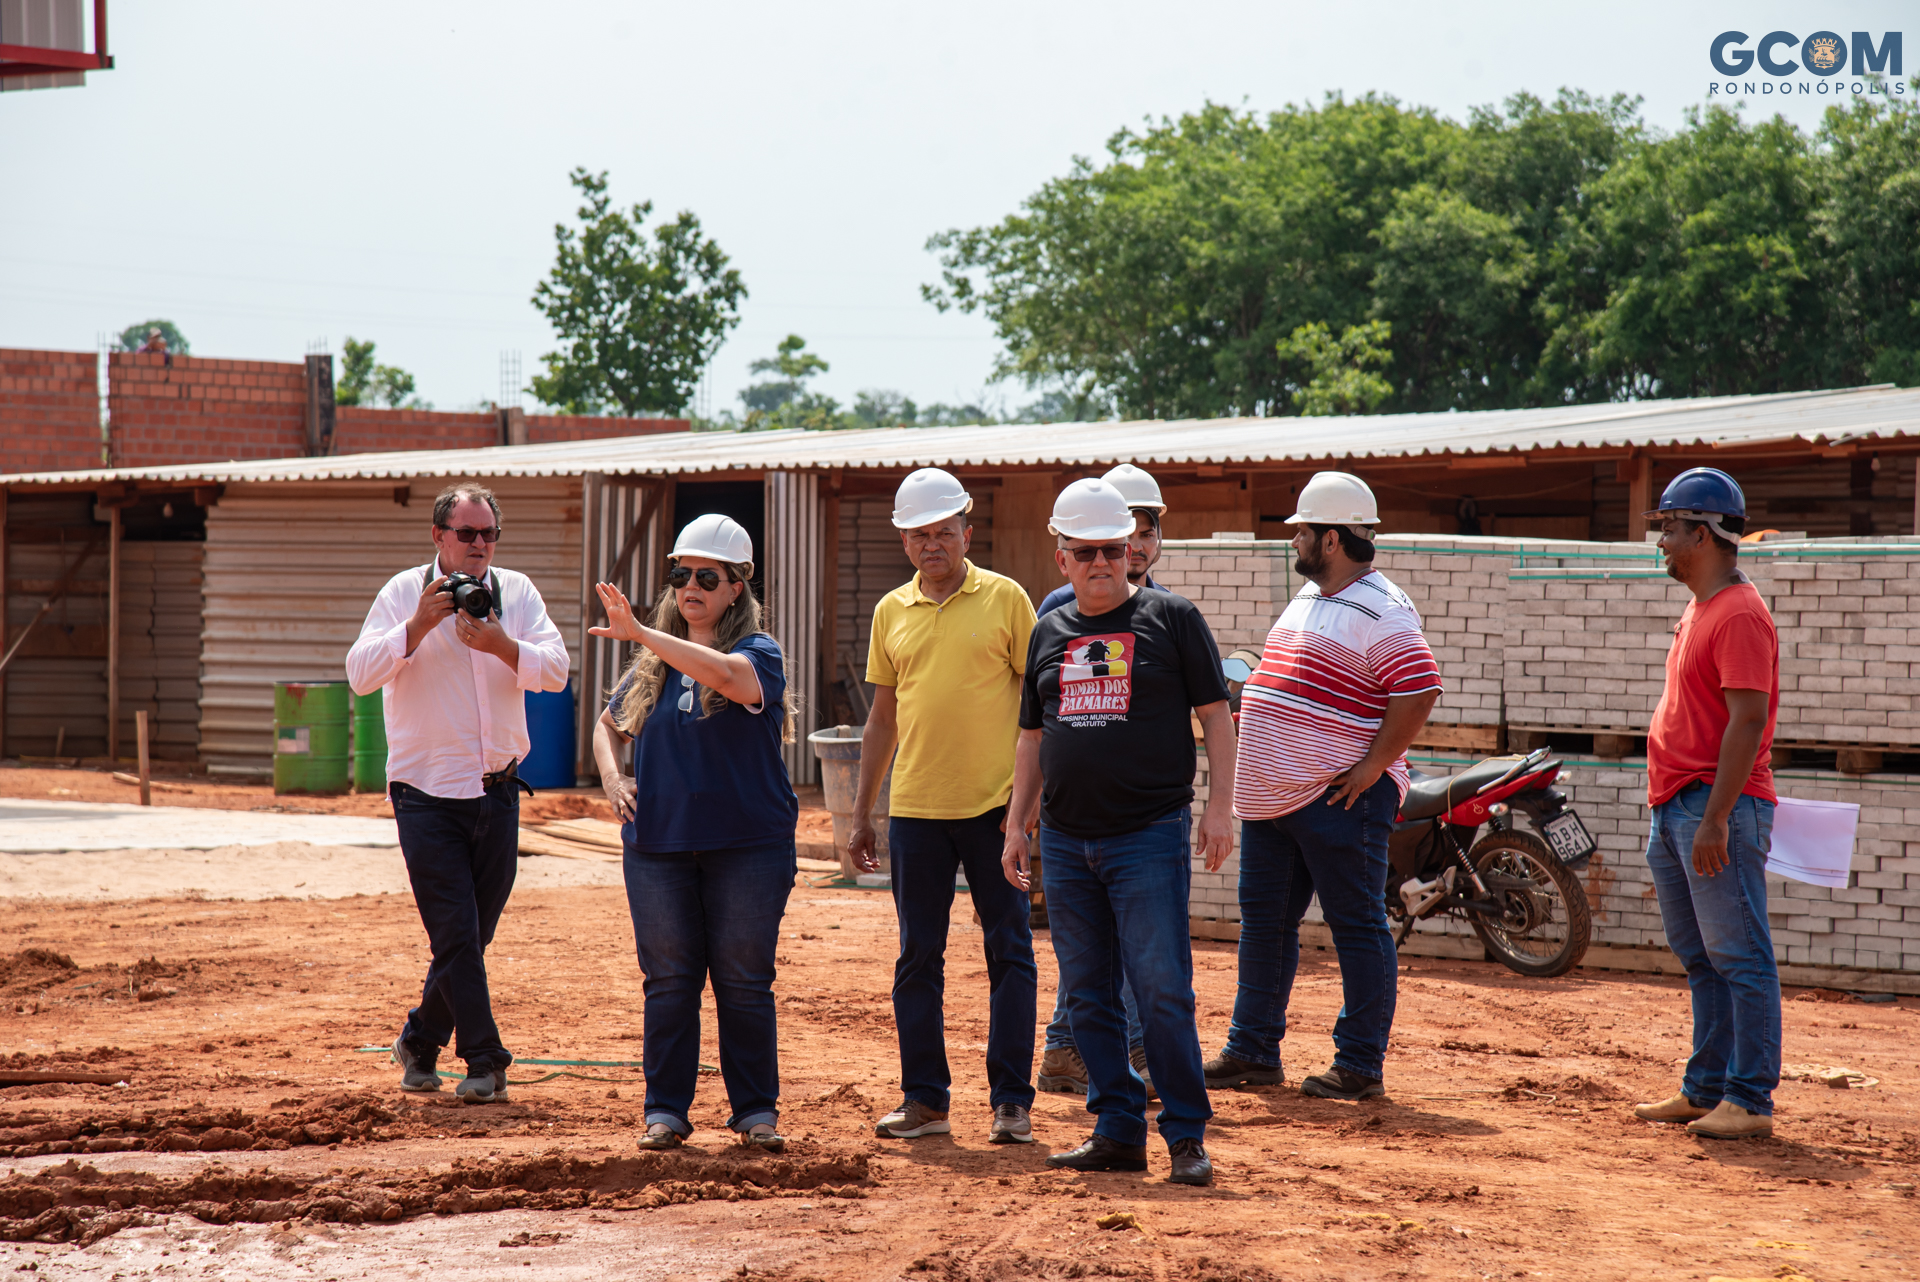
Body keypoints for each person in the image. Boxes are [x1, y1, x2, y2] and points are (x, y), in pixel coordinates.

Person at [1001, 478, 1236, 1187]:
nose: (1103, 562)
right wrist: (1018, 823)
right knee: (1089, 991)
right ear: (1061, 558)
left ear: (1129, 550)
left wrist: (1220, 807)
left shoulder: (1172, 619)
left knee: (1162, 989)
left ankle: (1186, 1137)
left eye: (1113, 548)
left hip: (1147, 836)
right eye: (1086, 552)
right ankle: (1116, 1128)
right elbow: (1031, 737)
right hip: (1068, 844)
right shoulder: (1049, 630)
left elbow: (1218, 719)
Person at [1210, 471, 1440, 1101]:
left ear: (1332, 538)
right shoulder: (1314, 598)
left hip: (1338, 799)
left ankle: (1359, 1065)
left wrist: (1373, 765)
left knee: (1357, 926)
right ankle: (1252, 1050)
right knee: (1265, 925)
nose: (1295, 544)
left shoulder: (1380, 606)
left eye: (1303, 533)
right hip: (1279, 800)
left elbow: (1419, 688)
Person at [346, 482, 571, 1102]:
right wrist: (417, 625)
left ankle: (420, 1041)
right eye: (467, 534)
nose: (480, 545)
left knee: (473, 934)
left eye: (489, 534)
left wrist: (502, 644)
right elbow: (360, 675)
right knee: (454, 933)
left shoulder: (516, 592)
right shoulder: (402, 593)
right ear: (439, 537)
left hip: (497, 790)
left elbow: (557, 670)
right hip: (425, 792)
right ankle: (484, 1059)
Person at [589, 514, 801, 1153]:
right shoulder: (652, 663)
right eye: (681, 574)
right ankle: (666, 1113)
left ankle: (756, 1112)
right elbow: (607, 725)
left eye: (708, 577)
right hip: (659, 848)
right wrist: (611, 777)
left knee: (743, 981)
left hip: (749, 848)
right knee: (670, 982)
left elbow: (727, 678)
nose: (691, 586)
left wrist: (646, 633)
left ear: (738, 587)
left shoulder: (759, 653)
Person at [848, 468, 1040, 1146]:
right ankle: (925, 1101)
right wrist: (861, 813)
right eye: (920, 534)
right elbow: (882, 721)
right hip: (918, 814)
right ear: (904, 540)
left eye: (945, 532)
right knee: (916, 956)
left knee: (1010, 951)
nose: (934, 544)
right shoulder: (890, 612)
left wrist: (1025, 811)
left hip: (995, 814)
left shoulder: (1007, 600)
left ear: (966, 530)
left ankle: (1012, 1102)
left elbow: (1037, 711)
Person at [1630, 469, 1781, 1140]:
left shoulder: (1741, 613)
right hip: (1677, 806)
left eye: (1668, 528)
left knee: (1740, 956)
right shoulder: (1702, 606)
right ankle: (1706, 1089)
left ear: (1704, 532)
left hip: (1713, 808)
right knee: (1703, 958)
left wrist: (1716, 817)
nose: (1661, 541)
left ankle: (1749, 1100)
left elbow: (1748, 721)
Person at [1034, 463, 1167, 1096]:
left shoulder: (1164, 611)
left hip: (1142, 812)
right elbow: (1039, 722)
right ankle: (1123, 1060)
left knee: (1117, 945)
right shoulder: (1064, 609)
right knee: (1099, 949)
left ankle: (1068, 1048)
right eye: (1126, 532)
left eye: (1146, 530)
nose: (1136, 544)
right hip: (1076, 813)